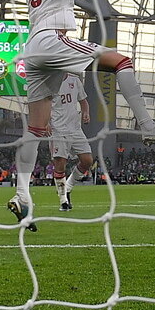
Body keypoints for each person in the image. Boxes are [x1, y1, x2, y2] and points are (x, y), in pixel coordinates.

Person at [0, 0, 155, 230]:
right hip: (54, 39)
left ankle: (22, 195)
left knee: (34, 130)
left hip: (33, 49)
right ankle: (147, 126)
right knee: (121, 62)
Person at [49, 73, 91, 211]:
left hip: (75, 129)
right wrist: (44, 122)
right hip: (58, 130)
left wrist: (85, 112)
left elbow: (83, 101)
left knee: (87, 161)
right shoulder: (48, 82)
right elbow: (43, 104)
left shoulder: (75, 80)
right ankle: (63, 201)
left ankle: (67, 187)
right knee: (60, 164)